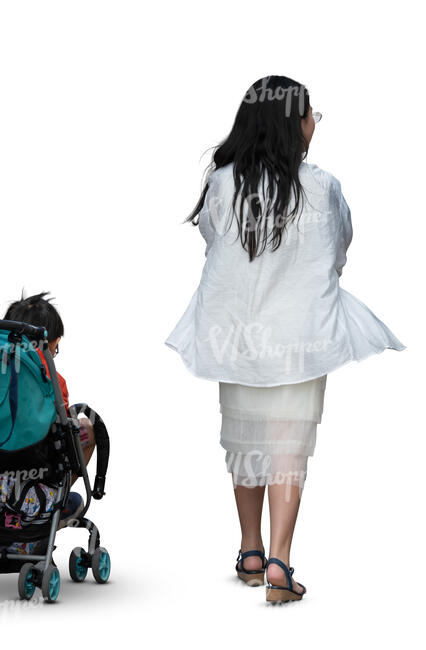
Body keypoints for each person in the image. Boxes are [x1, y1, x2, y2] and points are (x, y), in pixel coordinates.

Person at [164, 75, 406, 603]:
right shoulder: (322, 186)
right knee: (288, 448)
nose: (314, 121)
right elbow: (340, 249)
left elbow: (212, 243)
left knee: (245, 442)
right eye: (311, 113)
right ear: (291, 123)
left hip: (237, 337)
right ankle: (279, 562)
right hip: (300, 337)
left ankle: (249, 550)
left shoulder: (223, 183)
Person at [3, 291, 96, 524]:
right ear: (52, 343)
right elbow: (62, 426)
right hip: (35, 468)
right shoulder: (54, 380)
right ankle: (58, 502)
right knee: (85, 429)